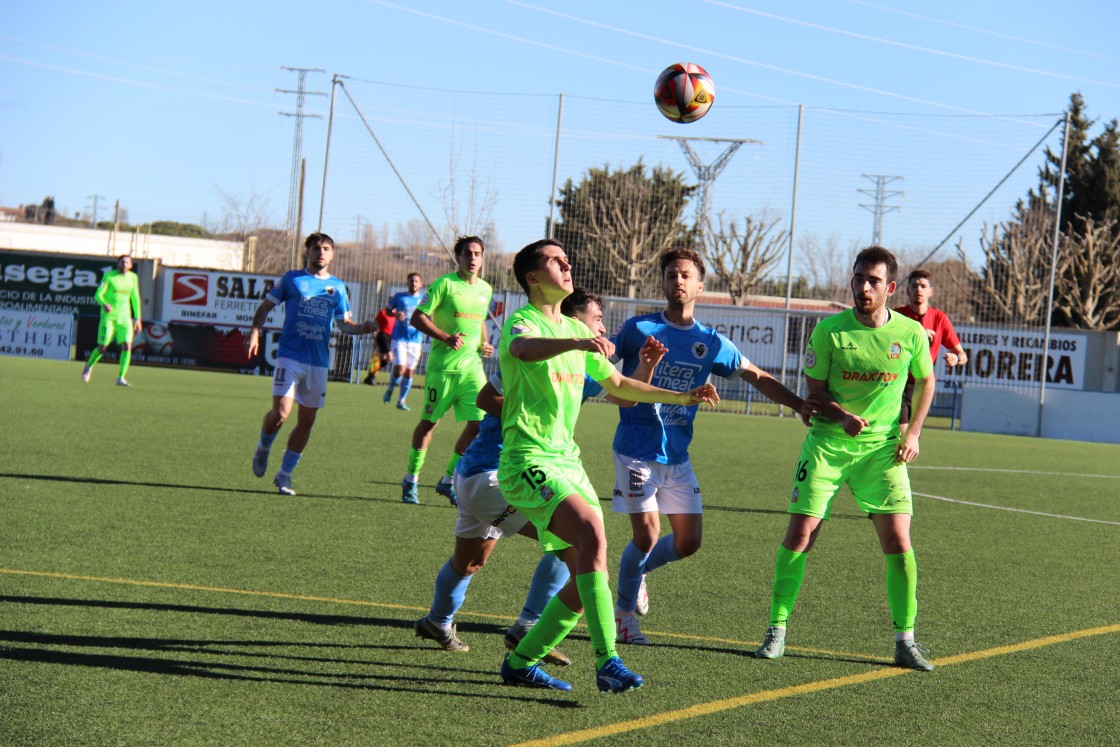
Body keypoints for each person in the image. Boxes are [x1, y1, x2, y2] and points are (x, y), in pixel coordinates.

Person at [497, 239, 718, 694]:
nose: (567, 264)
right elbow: (521, 349)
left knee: (585, 571)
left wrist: (684, 396)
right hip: (527, 461)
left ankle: (521, 661)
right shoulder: (526, 321)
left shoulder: (578, 336)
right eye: (555, 261)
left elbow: (621, 385)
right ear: (533, 278)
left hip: (567, 462)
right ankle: (607, 660)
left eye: (567, 258)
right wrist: (576, 339)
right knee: (592, 535)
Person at [413, 288, 659, 664]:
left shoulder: (576, 360)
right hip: (497, 473)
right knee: (577, 543)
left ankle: (436, 621)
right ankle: (529, 627)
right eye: (597, 320)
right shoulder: (536, 354)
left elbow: (623, 394)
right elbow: (483, 399)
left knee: (469, 562)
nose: (602, 328)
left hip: (484, 476)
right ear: (576, 322)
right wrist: (526, 406)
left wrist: (646, 365)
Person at [753, 245, 937, 671]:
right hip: (828, 446)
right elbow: (813, 396)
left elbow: (926, 383)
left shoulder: (909, 334)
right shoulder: (830, 331)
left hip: (882, 452)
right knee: (801, 535)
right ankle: (776, 630)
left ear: (890, 288)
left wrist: (914, 432)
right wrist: (841, 416)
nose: (863, 287)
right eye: (858, 278)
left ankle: (905, 641)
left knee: (899, 542)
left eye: (873, 280)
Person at [610, 248, 806, 646]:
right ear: (662, 284)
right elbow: (610, 369)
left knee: (689, 543)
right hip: (635, 449)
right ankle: (624, 617)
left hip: (677, 456)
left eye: (685, 275)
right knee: (646, 535)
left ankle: (640, 571)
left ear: (701, 285)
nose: (677, 281)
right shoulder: (638, 329)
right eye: (670, 275)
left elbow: (756, 375)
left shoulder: (710, 342)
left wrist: (800, 404)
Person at [246, 232, 375, 496]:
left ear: (333, 254)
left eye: (327, 248)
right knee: (281, 414)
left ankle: (284, 475)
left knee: (307, 420)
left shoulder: (337, 287)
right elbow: (264, 308)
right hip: (290, 355)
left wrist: (364, 328)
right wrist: (255, 332)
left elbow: (343, 323)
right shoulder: (292, 279)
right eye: (317, 248)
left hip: (317, 362)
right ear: (308, 252)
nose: (321, 253)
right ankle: (263, 446)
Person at [401, 238, 494, 506]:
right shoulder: (445, 284)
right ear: (458, 257)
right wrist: (444, 336)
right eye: (468, 254)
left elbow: (481, 321)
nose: (473, 258)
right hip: (443, 369)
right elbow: (418, 317)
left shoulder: (485, 290)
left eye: (477, 254)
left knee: (480, 425)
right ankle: (411, 478)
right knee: (429, 424)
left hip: (472, 369)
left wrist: (483, 343)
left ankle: (447, 479)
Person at [895, 268, 968, 423]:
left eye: (923, 286)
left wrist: (956, 357)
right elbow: (887, 346)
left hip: (924, 385)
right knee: (901, 433)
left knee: (912, 439)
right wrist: (917, 334)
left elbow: (963, 356)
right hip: (898, 383)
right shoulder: (897, 316)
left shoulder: (939, 318)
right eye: (914, 286)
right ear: (908, 290)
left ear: (931, 291)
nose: (918, 289)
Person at [81, 254, 142, 386]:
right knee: (102, 348)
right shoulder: (109, 276)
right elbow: (98, 294)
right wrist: (104, 303)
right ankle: (88, 366)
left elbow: (135, 298)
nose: (124, 265)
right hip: (108, 318)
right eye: (122, 262)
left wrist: (137, 318)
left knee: (127, 345)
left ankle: (121, 378)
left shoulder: (133, 278)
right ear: (118, 263)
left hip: (125, 318)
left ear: (131, 265)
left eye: (127, 263)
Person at [382, 272, 425, 408]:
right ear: (407, 283)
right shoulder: (399, 297)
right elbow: (388, 311)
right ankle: (390, 389)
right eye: (411, 281)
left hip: (416, 340)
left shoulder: (424, 299)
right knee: (400, 368)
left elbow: (429, 316)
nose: (414, 283)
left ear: (421, 284)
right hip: (399, 338)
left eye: (416, 281)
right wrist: (395, 314)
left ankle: (401, 401)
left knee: (409, 371)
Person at [362, 306, 395, 385]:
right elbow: (375, 325)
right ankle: (370, 375)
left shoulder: (396, 314)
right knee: (389, 357)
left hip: (390, 337)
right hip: (383, 335)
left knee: (383, 358)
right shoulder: (383, 312)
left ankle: (370, 376)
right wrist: (375, 336)